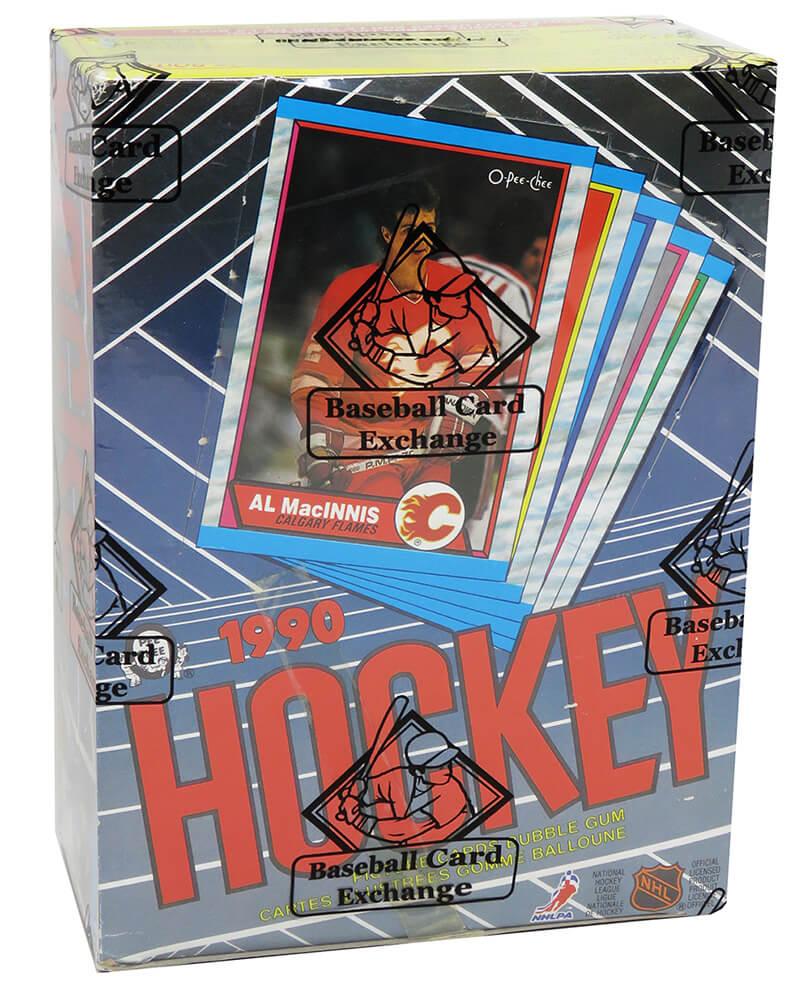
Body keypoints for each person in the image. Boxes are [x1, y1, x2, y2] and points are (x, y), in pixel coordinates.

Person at [290, 179, 498, 499]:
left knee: (434, 520)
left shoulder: (460, 288)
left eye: (429, 228)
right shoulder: (349, 289)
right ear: (387, 234)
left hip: (430, 451)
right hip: (363, 449)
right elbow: (315, 374)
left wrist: (461, 410)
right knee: (381, 513)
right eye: (409, 230)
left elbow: (482, 360)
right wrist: (320, 440)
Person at [339, 731, 472, 845]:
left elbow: (397, 832)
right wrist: (353, 795)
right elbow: (368, 788)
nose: (447, 770)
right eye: (438, 767)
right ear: (418, 771)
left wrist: (359, 818)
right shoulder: (398, 778)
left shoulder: (452, 792)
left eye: (448, 763)